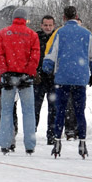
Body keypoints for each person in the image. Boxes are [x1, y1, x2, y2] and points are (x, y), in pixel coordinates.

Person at [42, 5, 92, 158]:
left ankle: (57, 141)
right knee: (79, 111)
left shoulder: (59, 33)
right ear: (76, 16)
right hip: (80, 78)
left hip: (62, 77)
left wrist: (48, 69)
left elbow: (49, 54)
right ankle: (82, 141)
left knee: (60, 111)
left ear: (63, 17)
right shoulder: (87, 34)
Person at [0, 7, 40, 155]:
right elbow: (35, 56)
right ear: (25, 19)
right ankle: (29, 144)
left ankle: (5, 143)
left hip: (8, 75)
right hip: (25, 77)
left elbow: (0, 54)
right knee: (28, 111)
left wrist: (5, 71)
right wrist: (28, 73)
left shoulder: (4, 33)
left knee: (7, 111)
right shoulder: (32, 35)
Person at [34, 15, 57, 145]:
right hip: (39, 77)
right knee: (35, 107)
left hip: (54, 78)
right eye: (45, 25)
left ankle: (52, 135)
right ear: (41, 25)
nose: (48, 27)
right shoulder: (35, 37)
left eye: (50, 25)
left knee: (53, 108)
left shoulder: (58, 37)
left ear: (53, 25)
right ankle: (32, 132)